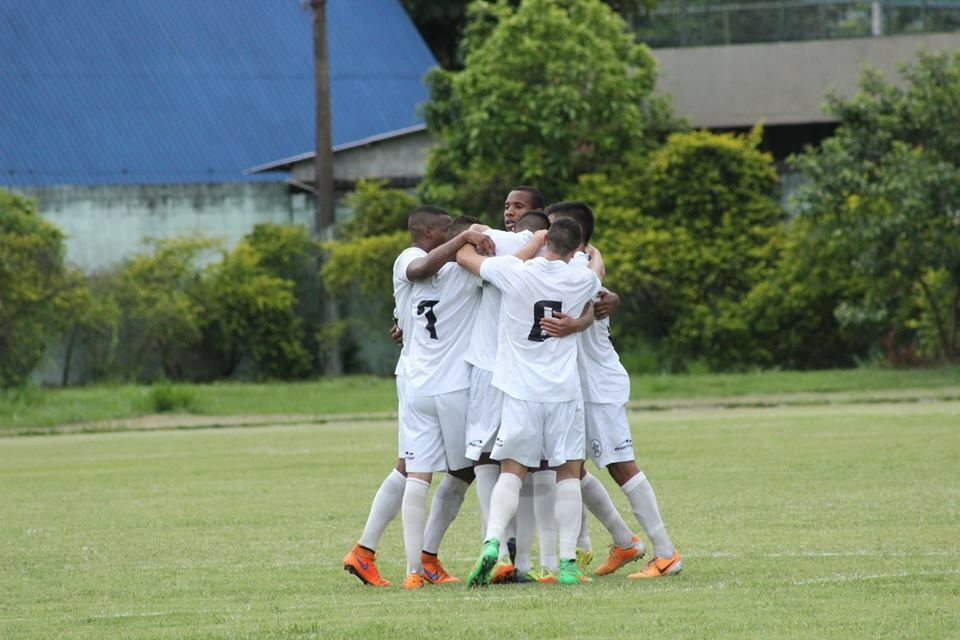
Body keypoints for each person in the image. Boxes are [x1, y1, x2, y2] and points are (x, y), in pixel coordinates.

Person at [342, 207, 494, 588]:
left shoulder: (443, 267)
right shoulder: (414, 259)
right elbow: (421, 270)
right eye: (445, 231)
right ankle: (427, 559)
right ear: (427, 232)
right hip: (442, 383)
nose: (450, 237)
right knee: (469, 465)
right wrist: (466, 239)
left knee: (413, 467)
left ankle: (377, 554)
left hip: (414, 379)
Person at [457, 218, 601, 586]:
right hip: (564, 393)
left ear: (545, 241)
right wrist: (592, 253)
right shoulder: (580, 277)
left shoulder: (514, 271)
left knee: (511, 471)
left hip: (520, 392)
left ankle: (492, 542)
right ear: (573, 250)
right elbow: (596, 269)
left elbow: (463, 257)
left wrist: (521, 239)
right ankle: (567, 562)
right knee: (569, 472)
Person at [545, 201, 683, 579]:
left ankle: (666, 553)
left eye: (555, 226)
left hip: (597, 387)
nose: (547, 234)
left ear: (578, 236)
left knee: (621, 466)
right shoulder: (569, 269)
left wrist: (596, 266)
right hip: (574, 388)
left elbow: (592, 283)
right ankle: (623, 542)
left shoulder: (579, 271)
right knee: (565, 466)